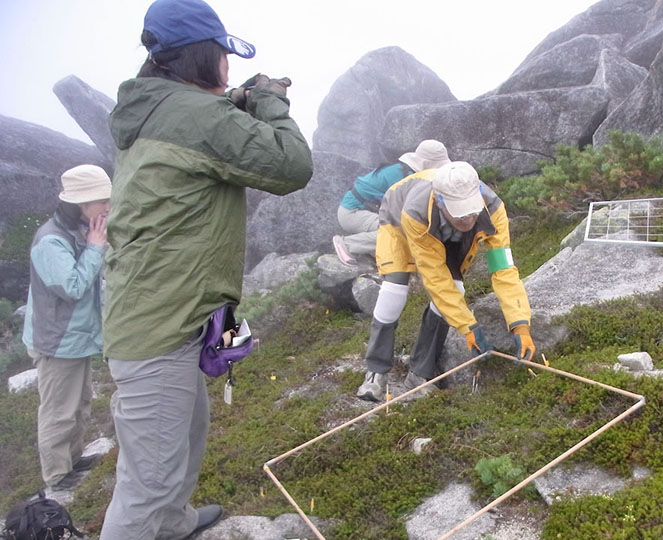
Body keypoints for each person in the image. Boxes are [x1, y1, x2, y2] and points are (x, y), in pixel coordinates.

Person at [99, 0, 313, 538]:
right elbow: (292, 164)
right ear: (204, 56)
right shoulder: (195, 116)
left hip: (161, 310)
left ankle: (172, 524)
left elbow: (203, 138)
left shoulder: (159, 109)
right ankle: (157, 520)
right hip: (158, 324)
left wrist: (234, 101)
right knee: (145, 484)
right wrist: (267, 99)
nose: (225, 63)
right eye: (222, 53)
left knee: (188, 430)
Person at [356, 161, 536, 401]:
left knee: (457, 288)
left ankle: (420, 373)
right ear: (440, 202)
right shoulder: (416, 211)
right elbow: (435, 279)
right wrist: (468, 327)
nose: (468, 220)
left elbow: (503, 270)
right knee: (394, 290)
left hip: (447, 234)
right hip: (399, 219)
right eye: (460, 213)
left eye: (472, 211)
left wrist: (520, 325)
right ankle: (375, 372)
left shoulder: (492, 209)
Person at [22, 164, 111, 492]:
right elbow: (71, 287)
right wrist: (95, 248)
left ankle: (73, 459)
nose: (107, 207)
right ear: (81, 204)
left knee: (80, 402)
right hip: (57, 341)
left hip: (76, 337)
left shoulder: (79, 229)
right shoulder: (50, 240)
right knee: (59, 411)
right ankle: (58, 477)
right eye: (102, 200)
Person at [332, 139, 451, 266]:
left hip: (362, 210)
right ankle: (347, 244)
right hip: (352, 213)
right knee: (398, 232)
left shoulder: (405, 171)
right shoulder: (404, 177)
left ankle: (373, 252)